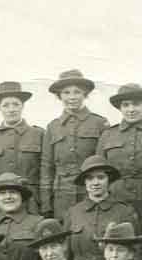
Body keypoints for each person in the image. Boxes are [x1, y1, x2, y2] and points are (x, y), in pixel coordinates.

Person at [98, 82, 142, 228]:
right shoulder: (108, 135)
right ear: (120, 108)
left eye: (136, 104)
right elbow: (99, 169)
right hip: (116, 199)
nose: (131, 109)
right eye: (126, 105)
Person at [42, 70, 107, 216]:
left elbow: (105, 164)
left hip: (91, 193)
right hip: (62, 197)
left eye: (77, 92)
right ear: (59, 96)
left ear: (85, 94)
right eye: (66, 92)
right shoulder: (53, 127)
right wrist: (46, 203)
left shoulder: (99, 123)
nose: (72, 97)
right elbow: (46, 166)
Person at [64, 155, 140, 260]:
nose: (95, 183)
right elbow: (66, 254)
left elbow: (136, 255)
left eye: (101, 177)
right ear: (84, 182)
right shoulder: (73, 213)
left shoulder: (124, 211)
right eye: (90, 178)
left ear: (108, 180)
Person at [0, 81, 46, 217]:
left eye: (16, 104)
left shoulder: (39, 134)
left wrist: (44, 204)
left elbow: (46, 174)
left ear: (22, 106)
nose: (11, 109)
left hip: (32, 204)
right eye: (6, 105)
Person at [0, 172, 44, 260]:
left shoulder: (38, 223)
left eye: (13, 192)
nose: (8, 197)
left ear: (22, 197)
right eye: (2, 193)